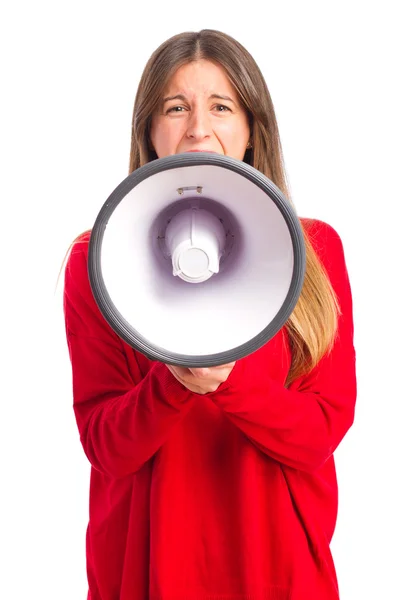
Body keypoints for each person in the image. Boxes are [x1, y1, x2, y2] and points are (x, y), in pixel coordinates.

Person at [63, 29, 356, 600]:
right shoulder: (94, 262)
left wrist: (229, 380)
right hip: (145, 571)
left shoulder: (315, 253)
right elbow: (106, 445)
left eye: (221, 106)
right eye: (176, 107)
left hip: (278, 571)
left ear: (251, 130)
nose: (198, 127)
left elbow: (319, 433)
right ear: (149, 132)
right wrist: (172, 386)